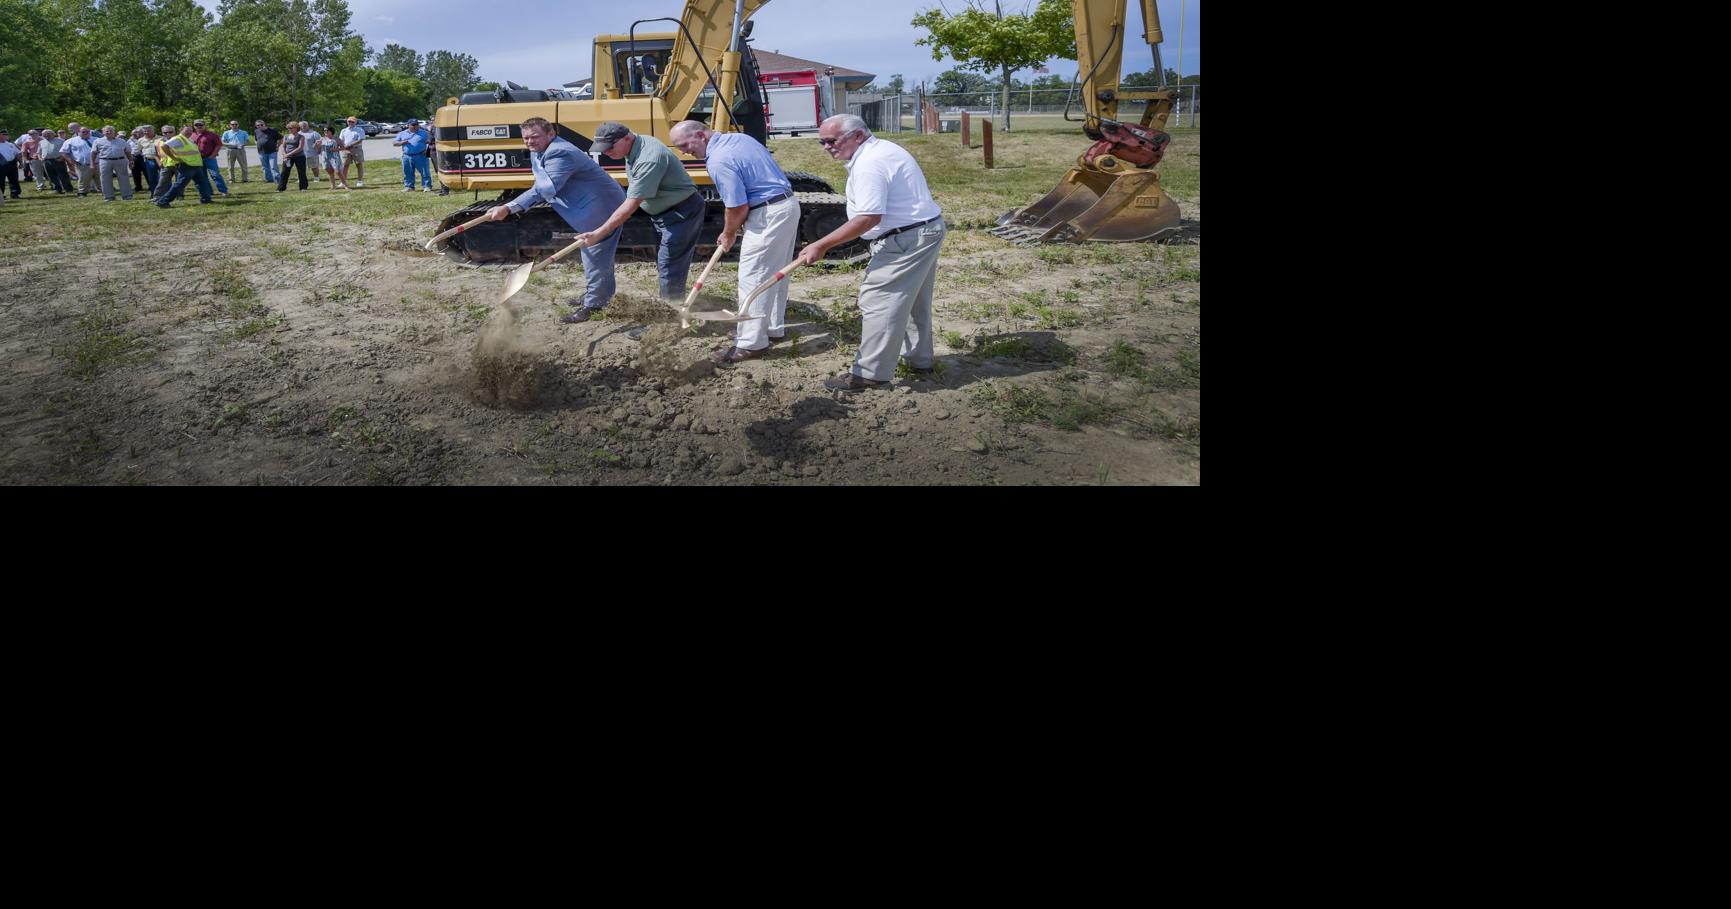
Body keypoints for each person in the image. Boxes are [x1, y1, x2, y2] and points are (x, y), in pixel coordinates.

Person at [796, 115, 946, 392]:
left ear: (857, 136)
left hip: (906, 239)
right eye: (822, 141)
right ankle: (918, 361)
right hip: (923, 230)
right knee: (913, 302)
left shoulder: (870, 163)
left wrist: (821, 244)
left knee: (880, 302)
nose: (826, 147)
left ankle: (870, 375)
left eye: (832, 140)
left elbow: (868, 218)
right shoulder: (880, 150)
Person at [668, 119, 800, 364]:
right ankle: (770, 329)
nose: (683, 152)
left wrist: (729, 233)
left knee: (754, 277)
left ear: (700, 135)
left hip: (767, 215)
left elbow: (737, 205)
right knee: (775, 274)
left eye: (684, 145)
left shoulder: (719, 159)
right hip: (786, 205)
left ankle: (751, 344)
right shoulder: (739, 138)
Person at [483, 116, 624, 322]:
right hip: (589, 205)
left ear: (551, 134)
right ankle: (597, 295)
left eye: (534, 137)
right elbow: (540, 183)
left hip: (601, 208)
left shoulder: (560, 152)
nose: (530, 142)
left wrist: (509, 207)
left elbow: (545, 189)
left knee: (595, 255)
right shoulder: (541, 151)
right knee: (594, 254)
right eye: (526, 138)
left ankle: (595, 305)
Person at [575, 122, 704, 306]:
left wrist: (598, 233)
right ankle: (672, 302)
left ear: (627, 137)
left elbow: (632, 203)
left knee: (669, 265)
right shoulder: (636, 144)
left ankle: (670, 316)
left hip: (681, 213)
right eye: (603, 148)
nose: (606, 152)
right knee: (666, 263)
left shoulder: (649, 158)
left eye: (610, 147)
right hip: (665, 213)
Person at [154, 124, 214, 208]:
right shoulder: (178, 139)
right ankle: (163, 201)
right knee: (180, 184)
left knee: (201, 183)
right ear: (181, 130)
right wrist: (174, 158)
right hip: (187, 165)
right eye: (187, 130)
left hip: (195, 165)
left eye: (190, 130)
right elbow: (164, 146)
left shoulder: (188, 139)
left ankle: (206, 199)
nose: (189, 132)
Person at [92, 125, 133, 201]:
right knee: (105, 179)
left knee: (124, 178)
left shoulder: (122, 141)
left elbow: (128, 151)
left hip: (120, 160)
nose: (109, 132)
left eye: (111, 131)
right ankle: (109, 196)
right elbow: (93, 153)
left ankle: (127, 195)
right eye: (107, 131)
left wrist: (130, 161)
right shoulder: (98, 141)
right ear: (103, 132)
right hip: (105, 161)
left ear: (114, 132)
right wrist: (92, 163)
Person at [190, 119, 229, 196]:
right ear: (194, 126)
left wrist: (213, 155)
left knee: (215, 175)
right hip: (198, 159)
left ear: (205, 126)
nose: (199, 127)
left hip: (209, 158)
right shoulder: (191, 135)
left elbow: (219, 145)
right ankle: (208, 191)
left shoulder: (211, 134)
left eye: (201, 125)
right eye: (196, 125)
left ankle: (223, 191)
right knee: (203, 176)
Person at [394, 119, 432, 191]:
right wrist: (402, 142)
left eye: (417, 125)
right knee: (408, 172)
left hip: (421, 155)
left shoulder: (424, 133)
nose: (415, 126)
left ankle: (427, 186)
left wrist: (427, 150)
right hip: (406, 156)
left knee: (424, 172)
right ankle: (409, 187)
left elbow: (432, 142)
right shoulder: (402, 133)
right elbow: (394, 143)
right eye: (413, 125)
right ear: (408, 125)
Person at [60, 127, 96, 197]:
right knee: (83, 179)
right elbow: (63, 152)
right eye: (83, 132)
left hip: (98, 163)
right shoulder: (71, 141)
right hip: (82, 164)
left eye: (87, 132)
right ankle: (82, 192)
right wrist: (71, 161)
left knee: (101, 178)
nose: (85, 133)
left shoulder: (96, 140)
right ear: (78, 133)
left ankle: (104, 191)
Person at [276, 120, 308, 191]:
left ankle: (303, 187)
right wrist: (284, 154)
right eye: (288, 128)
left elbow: (300, 148)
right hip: (288, 157)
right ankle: (281, 188)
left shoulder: (301, 137)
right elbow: (283, 146)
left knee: (301, 172)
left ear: (296, 128)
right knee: (284, 172)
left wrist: (289, 154)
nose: (289, 129)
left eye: (291, 128)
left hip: (299, 157)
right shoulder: (286, 136)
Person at [339, 116, 366, 187]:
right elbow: (341, 140)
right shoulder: (344, 130)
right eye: (349, 121)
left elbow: (360, 139)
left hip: (356, 149)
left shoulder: (359, 130)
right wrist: (343, 145)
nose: (350, 123)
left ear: (355, 122)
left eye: (352, 121)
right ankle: (343, 182)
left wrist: (350, 144)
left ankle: (360, 181)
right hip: (346, 149)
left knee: (359, 165)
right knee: (345, 165)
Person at [254, 119, 280, 184]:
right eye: (258, 125)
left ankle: (278, 180)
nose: (260, 126)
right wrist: (258, 144)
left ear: (265, 124)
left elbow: (281, 138)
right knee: (265, 167)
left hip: (272, 151)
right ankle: (269, 179)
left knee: (273, 166)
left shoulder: (272, 131)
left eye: (261, 125)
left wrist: (277, 146)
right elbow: (256, 140)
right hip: (261, 152)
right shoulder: (256, 131)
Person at [0, 130, 21, 199]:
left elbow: (17, 153)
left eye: (6, 135)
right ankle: (1, 195)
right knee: (1, 180)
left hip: (12, 164)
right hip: (1, 165)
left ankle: (15, 193)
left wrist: (20, 162)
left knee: (14, 179)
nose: (6, 136)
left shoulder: (10, 144)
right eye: (4, 135)